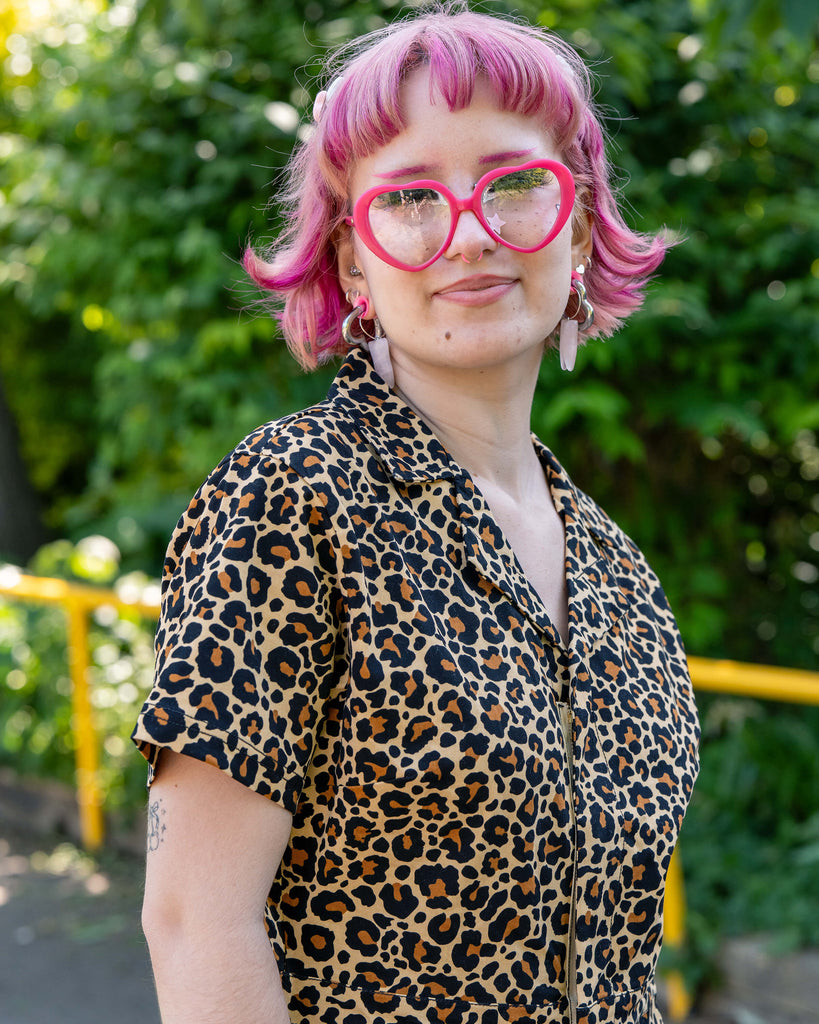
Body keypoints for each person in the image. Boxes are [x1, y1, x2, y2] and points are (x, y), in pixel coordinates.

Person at [132, 7, 700, 1023]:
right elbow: (194, 922)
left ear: (573, 223)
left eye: (515, 183)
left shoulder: (621, 572)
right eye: (410, 199)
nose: (471, 232)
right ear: (354, 261)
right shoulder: (292, 500)